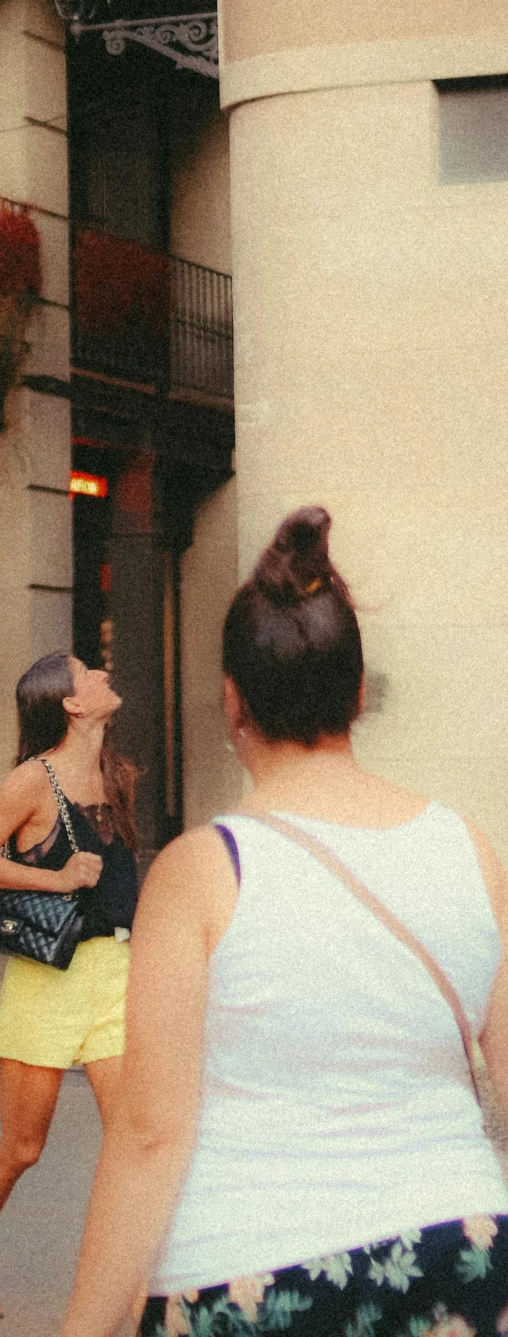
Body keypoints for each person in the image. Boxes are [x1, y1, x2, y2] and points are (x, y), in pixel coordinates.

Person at [61, 506, 508, 1337]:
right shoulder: (465, 848)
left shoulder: (199, 872)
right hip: (460, 1247)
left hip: (250, 1269)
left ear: (232, 702)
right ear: (356, 694)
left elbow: (150, 1136)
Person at [0, 652, 137, 1319]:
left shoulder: (115, 774)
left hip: (115, 971)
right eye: (87, 673)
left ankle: (136, 1284)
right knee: (23, 1147)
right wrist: (56, 879)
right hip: (47, 979)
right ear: (70, 704)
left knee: (133, 1139)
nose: (101, 673)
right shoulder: (30, 782)